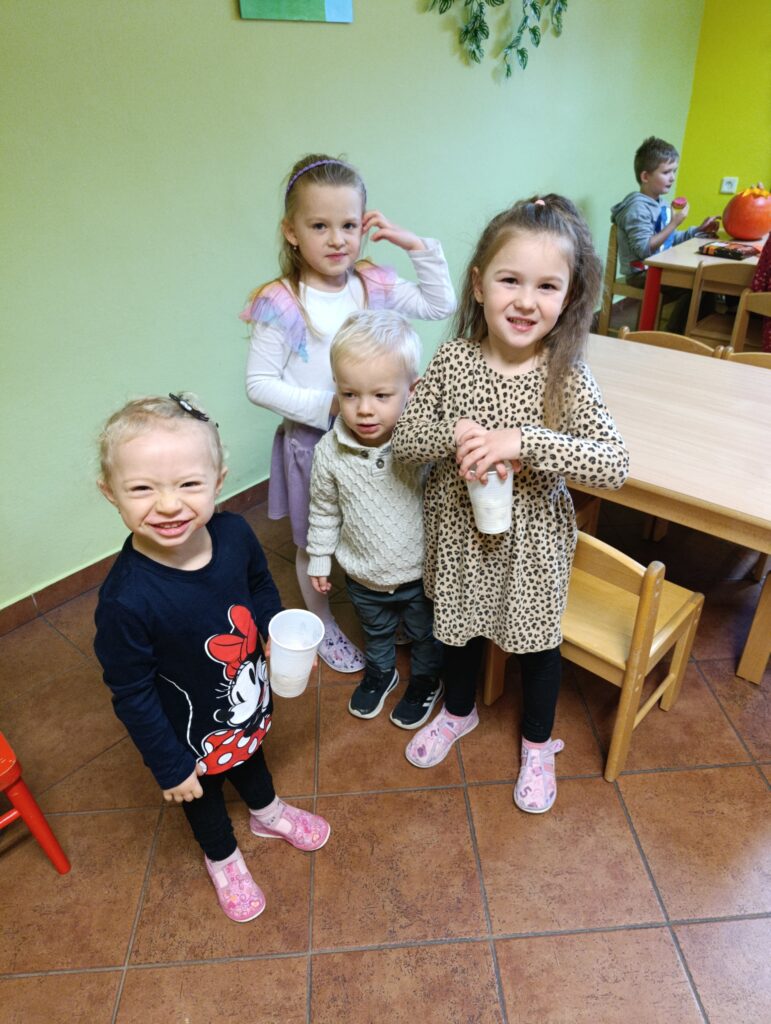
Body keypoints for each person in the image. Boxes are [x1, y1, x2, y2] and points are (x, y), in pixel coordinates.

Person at [391, 196, 630, 814]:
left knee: (537, 647)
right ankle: (459, 711)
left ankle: (537, 743)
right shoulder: (453, 360)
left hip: (533, 548)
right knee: (459, 633)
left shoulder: (565, 373)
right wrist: (453, 434)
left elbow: (614, 464)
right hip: (459, 537)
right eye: (510, 280)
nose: (526, 301)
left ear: (569, 298)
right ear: (478, 285)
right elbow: (404, 444)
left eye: (547, 286)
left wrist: (528, 441)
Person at [93, 394, 330, 924]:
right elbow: (131, 692)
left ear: (218, 481)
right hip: (186, 738)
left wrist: (273, 630)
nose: (168, 505)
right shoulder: (125, 601)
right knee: (202, 797)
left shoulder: (235, 534)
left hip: (245, 703)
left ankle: (266, 812)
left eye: (188, 484)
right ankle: (222, 857)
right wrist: (169, 765)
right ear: (111, 493)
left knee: (251, 756)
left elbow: (259, 585)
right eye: (142, 488)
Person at [242, 153, 456, 674]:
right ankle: (322, 625)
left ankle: (389, 602)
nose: (337, 239)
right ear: (291, 232)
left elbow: (440, 304)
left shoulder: (371, 283)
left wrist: (415, 245)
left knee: (383, 525)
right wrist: (329, 405)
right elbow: (258, 384)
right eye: (320, 226)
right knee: (313, 541)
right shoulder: (282, 301)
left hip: (380, 443)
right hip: (314, 444)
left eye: (349, 225)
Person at [306, 310, 443, 728]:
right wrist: (318, 557)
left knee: (425, 633)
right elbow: (323, 509)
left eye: (381, 396)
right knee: (377, 631)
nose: (364, 410)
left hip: (419, 574)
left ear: (411, 391)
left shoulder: (423, 446)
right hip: (362, 575)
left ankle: (426, 679)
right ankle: (381, 672)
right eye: (350, 395)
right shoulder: (329, 452)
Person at [611, 136, 719, 331]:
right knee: (694, 287)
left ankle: (691, 333)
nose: (673, 177)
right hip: (641, 273)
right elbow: (644, 249)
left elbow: (669, 240)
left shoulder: (660, 203)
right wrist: (674, 223)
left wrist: (698, 230)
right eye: (666, 172)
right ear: (646, 176)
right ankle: (670, 337)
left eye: (674, 171)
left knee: (705, 284)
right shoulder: (637, 208)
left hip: (658, 267)